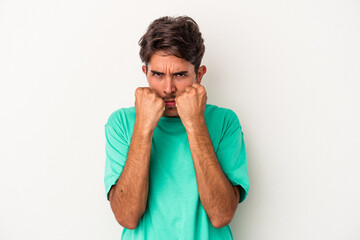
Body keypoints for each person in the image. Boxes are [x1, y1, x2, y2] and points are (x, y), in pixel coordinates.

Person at [104, 16, 249, 240]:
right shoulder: (121, 123)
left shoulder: (225, 121)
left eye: (180, 75)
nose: (168, 88)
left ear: (199, 75)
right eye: (158, 75)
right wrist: (143, 128)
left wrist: (195, 123)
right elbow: (127, 217)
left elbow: (221, 215)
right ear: (145, 73)